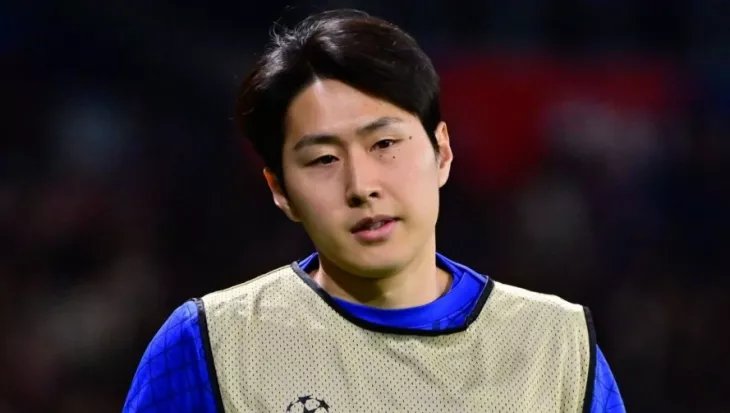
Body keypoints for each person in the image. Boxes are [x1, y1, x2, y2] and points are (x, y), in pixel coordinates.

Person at [124, 9, 625, 413]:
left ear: (442, 152)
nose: (361, 186)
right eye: (323, 159)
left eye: (384, 144)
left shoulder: (556, 345)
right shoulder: (210, 344)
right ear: (280, 190)